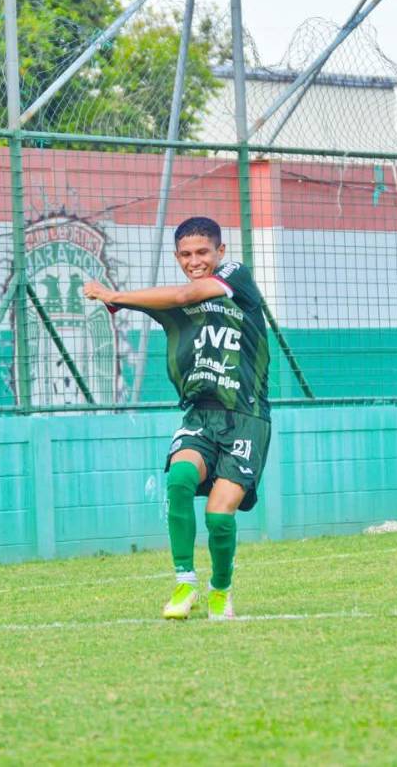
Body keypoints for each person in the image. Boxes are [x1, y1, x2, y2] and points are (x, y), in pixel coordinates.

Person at [83, 216, 271, 621]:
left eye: (202, 252)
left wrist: (116, 292)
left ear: (220, 252)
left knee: (220, 518)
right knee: (179, 479)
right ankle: (185, 581)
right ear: (176, 256)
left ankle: (220, 589)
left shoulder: (237, 277)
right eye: (185, 254)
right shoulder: (178, 305)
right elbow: (171, 299)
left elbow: (186, 293)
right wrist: (112, 299)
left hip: (246, 418)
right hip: (201, 416)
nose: (194, 260)